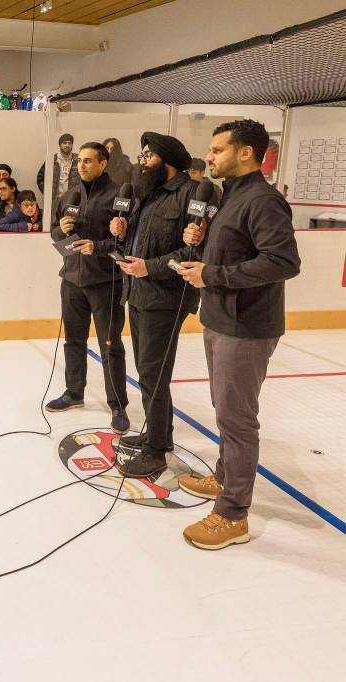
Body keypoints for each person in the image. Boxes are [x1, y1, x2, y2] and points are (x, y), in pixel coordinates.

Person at [176, 119, 301, 550]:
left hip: (246, 328)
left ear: (245, 152)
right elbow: (239, 249)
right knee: (224, 408)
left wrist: (214, 273)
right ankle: (224, 477)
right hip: (221, 320)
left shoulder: (264, 200)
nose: (209, 157)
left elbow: (283, 262)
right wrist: (203, 242)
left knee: (237, 419)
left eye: (217, 150)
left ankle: (233, 514)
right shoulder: (231, 197)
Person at [108, 132, 199, 478]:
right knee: (148, 373)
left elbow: (193, 253)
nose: (142, 160)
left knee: (153, 374)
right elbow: (143, 240)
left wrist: (151, 267)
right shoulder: (148, 193)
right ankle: (159, 435)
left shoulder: (192, 195)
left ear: (167, 160)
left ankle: (157, 451)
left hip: (166, 299)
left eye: (148, 155)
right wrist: (122, 228)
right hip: (139, 294)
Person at [47, 142, 130, 435]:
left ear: (103, 164)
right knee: (74, 340)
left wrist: (98, 247)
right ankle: (74, 392)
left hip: (105, 282)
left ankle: (118, 404)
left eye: (88, 160)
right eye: (80, 160)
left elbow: (125, 243)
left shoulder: (119, 195)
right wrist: (63, 230)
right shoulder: (69, 195)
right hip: (72, 280)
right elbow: (54, 232)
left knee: (110, 345)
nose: (81, 165)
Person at [38, 133, 80, 208]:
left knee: (71, 219)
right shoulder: (52, 160)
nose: (67, 145)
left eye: (70, 143)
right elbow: (40, 178)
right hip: (55, 200)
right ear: (60, 145)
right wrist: (47, 193)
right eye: (65, 143)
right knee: (55, 219)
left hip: (73, 200)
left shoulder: (78, 159)